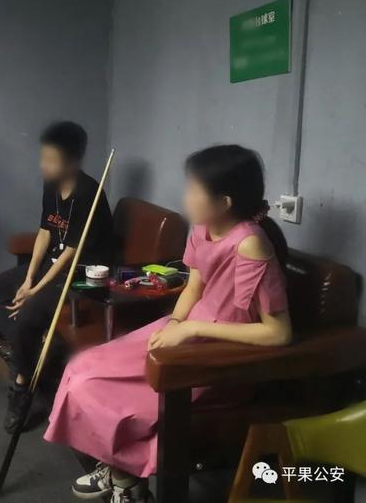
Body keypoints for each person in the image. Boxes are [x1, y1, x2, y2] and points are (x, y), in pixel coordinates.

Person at [44, 145, 292, 503]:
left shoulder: (250, 245)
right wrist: (175, 321)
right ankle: (119, 469)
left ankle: (126, 481)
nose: (185, 196)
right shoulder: (203, 229)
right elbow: (194, 287)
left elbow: (278, 332)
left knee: (109, 393)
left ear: (223, 202)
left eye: (193, 189)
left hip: (223, 354)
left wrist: (191, 329)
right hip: (188, 331)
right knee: (83, 368)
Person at [0, 121, 114, 434]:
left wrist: (35, 290)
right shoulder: (51, 185)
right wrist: (29, 278)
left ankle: (22, 384)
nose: (44, 165)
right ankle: (36, 350)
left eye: (51, 160)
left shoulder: (88, 193)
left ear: (73, 161)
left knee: (27, 314)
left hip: (79, 276)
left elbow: (71, 253)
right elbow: (44, 232)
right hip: (51, 267)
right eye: (44, 157)